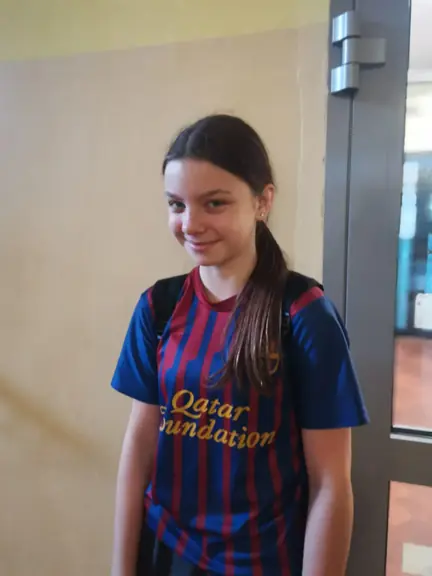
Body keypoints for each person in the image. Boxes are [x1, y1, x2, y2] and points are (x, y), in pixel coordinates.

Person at [111, 114, 369, 576]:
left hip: (266, 561)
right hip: (167, 554)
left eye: (214, 203)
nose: (190, 223)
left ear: (262, 201)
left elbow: (331, 484)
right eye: (176, 204)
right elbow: (140, 444)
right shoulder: (159, 307)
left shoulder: (304, 315)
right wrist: (121, 567)